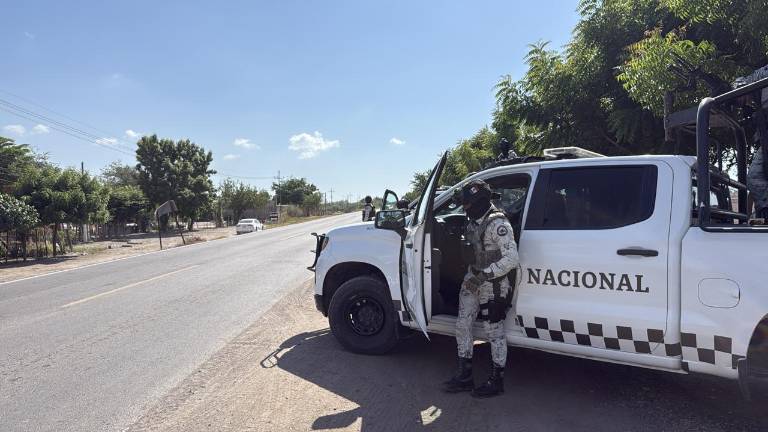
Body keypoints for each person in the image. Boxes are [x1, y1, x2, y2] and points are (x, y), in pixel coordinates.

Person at [442, 179, 519, 398]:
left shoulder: (498, 224)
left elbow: (512, 258)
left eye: (469, 204)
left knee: (494, 332)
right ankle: (465, 376)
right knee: (462, 325)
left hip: (494, 282)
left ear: (481, 201)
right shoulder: (474, 221)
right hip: (473, 277)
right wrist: (473, 275)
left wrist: (485, 274)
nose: (465, 208)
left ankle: (497, 381)